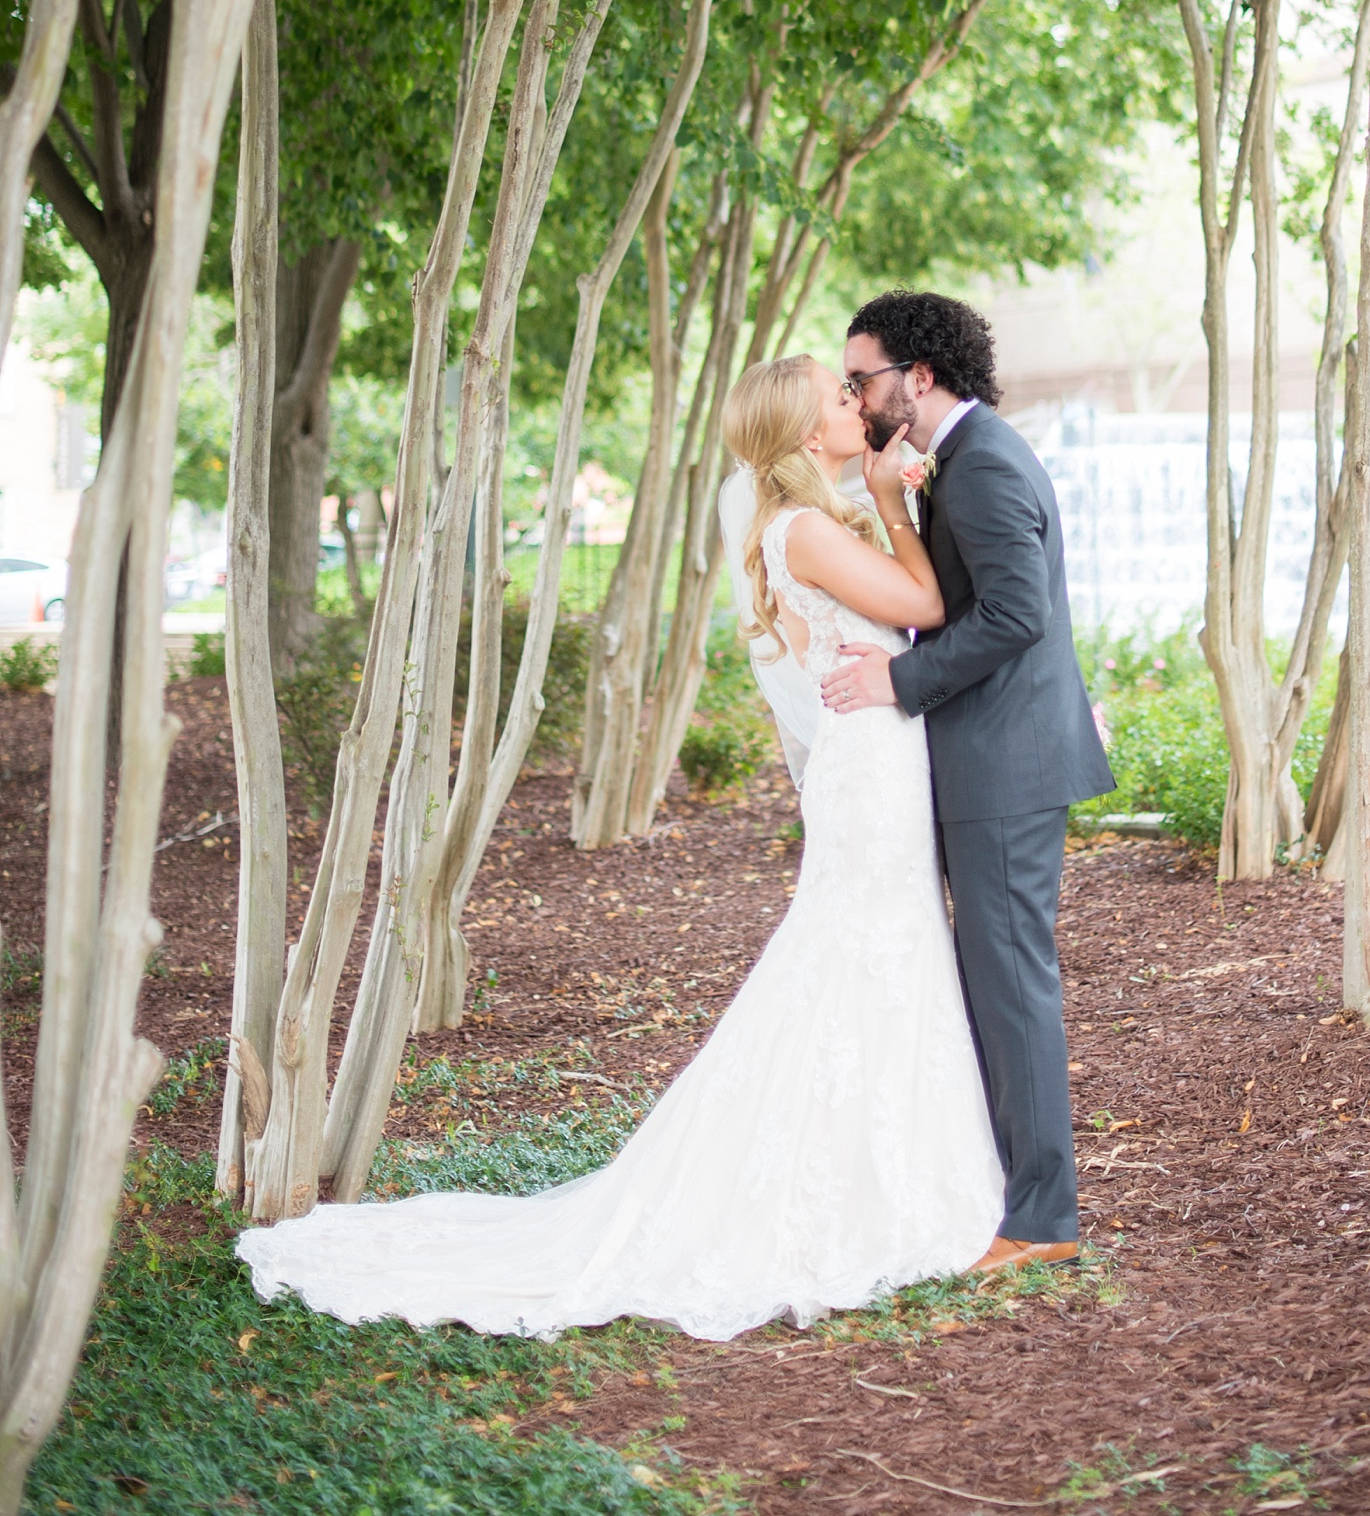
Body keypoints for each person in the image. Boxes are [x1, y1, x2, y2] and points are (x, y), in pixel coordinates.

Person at [236, 355, 1002, 1343]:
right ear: (807, 436)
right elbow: (924, 608)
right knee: (862, 946)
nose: (857, 407)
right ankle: (857, 1183)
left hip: (877, 756)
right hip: (868, 766)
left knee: (878, 946)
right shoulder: (804, 526)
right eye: (837, 399)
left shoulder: (803, 519)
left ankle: (885, 1163)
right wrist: (897, 506)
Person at [824, 290, 1113, 1275]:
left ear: (920, 374)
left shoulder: (984, 466)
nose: (855, 395)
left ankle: (1040, 1219)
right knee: (994, 981)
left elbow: (1015, 616)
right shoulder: (963, 457)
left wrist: (897, 679)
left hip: (1001, 766)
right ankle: (1008, 1191)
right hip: (991, 757)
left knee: (1010, 986)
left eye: (862, 377)